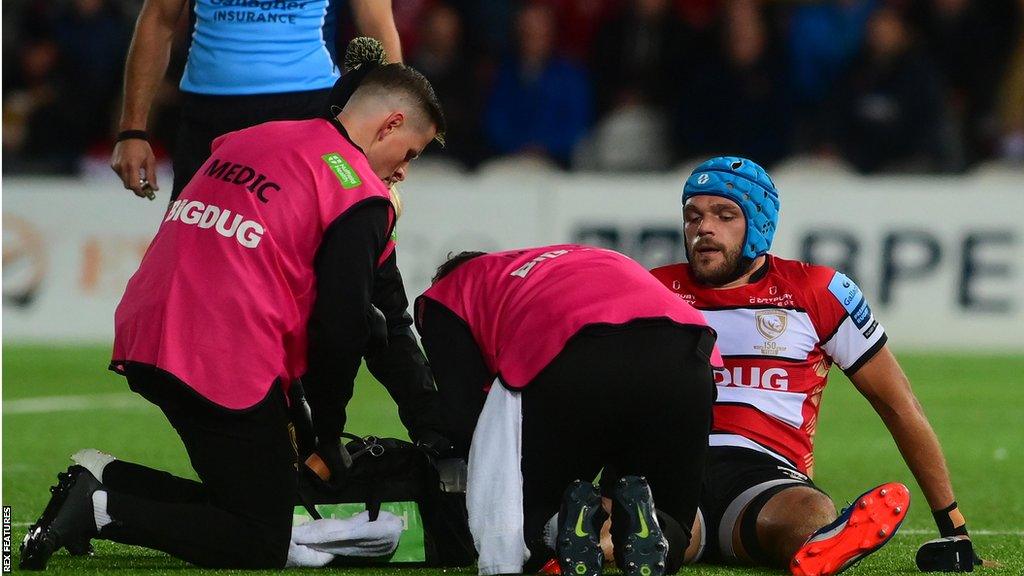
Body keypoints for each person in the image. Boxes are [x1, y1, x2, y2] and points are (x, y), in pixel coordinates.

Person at [20, 39, 446, 571]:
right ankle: (102, 507)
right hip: (220, 355)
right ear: (389, 124)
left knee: (257, 502)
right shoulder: (358, 195)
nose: (404, 171)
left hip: (148, 328)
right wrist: (330, 436)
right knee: (262, 537)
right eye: (409, 153)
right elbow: (340, 329)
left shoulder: (258, 135)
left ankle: (103, 480)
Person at [647, 156, 979, 575]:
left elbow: (897, 403)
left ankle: (818, 542)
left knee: (809, 511)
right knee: (633, 512)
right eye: (692, 216)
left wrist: (953, 527)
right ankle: (603, 540)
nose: (703, 228)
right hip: (669, 465)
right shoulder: (651, 292)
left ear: (759, 223)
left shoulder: (817, 292)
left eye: (725, 215)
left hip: (764, 478)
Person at [414, 245, 722, 576]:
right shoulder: (581, 256)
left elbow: (464, 416)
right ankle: (651, 526)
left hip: (576, 355)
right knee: (668, 512)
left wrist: (440, 450)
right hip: (687, 354)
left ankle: (560, 526)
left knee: (524, 513)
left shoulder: (448, 292)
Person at [110, 0, 403, 201]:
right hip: (210, 117)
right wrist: (132, 131)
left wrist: (397, 137)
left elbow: (377, 23)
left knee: (299, 250)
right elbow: (158, 20)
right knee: (196, 252)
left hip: (306, 114)